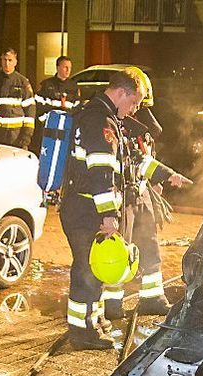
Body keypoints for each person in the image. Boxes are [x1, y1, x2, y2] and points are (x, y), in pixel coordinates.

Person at [60, 69, 147, 350]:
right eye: (133, 103)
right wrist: (108, 215)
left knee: (93, 270)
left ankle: (93, 322)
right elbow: (101, 171)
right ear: (122, 93)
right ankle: (82, 333)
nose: (132, 110)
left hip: (83, 204)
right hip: (87, 208)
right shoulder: (101, 119)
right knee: (86, 272)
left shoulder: (96, 114)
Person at [101, 74, 192, 321]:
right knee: (121, 252)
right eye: (135, 105)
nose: (136, 110)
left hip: (141, 196)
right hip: (124, 200)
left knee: (150, 248)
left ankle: (152, 298)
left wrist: (163, 177)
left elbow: (143, 161)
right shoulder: (115, 126)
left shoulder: (139, 129)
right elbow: (117, 166)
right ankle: (112, 304)